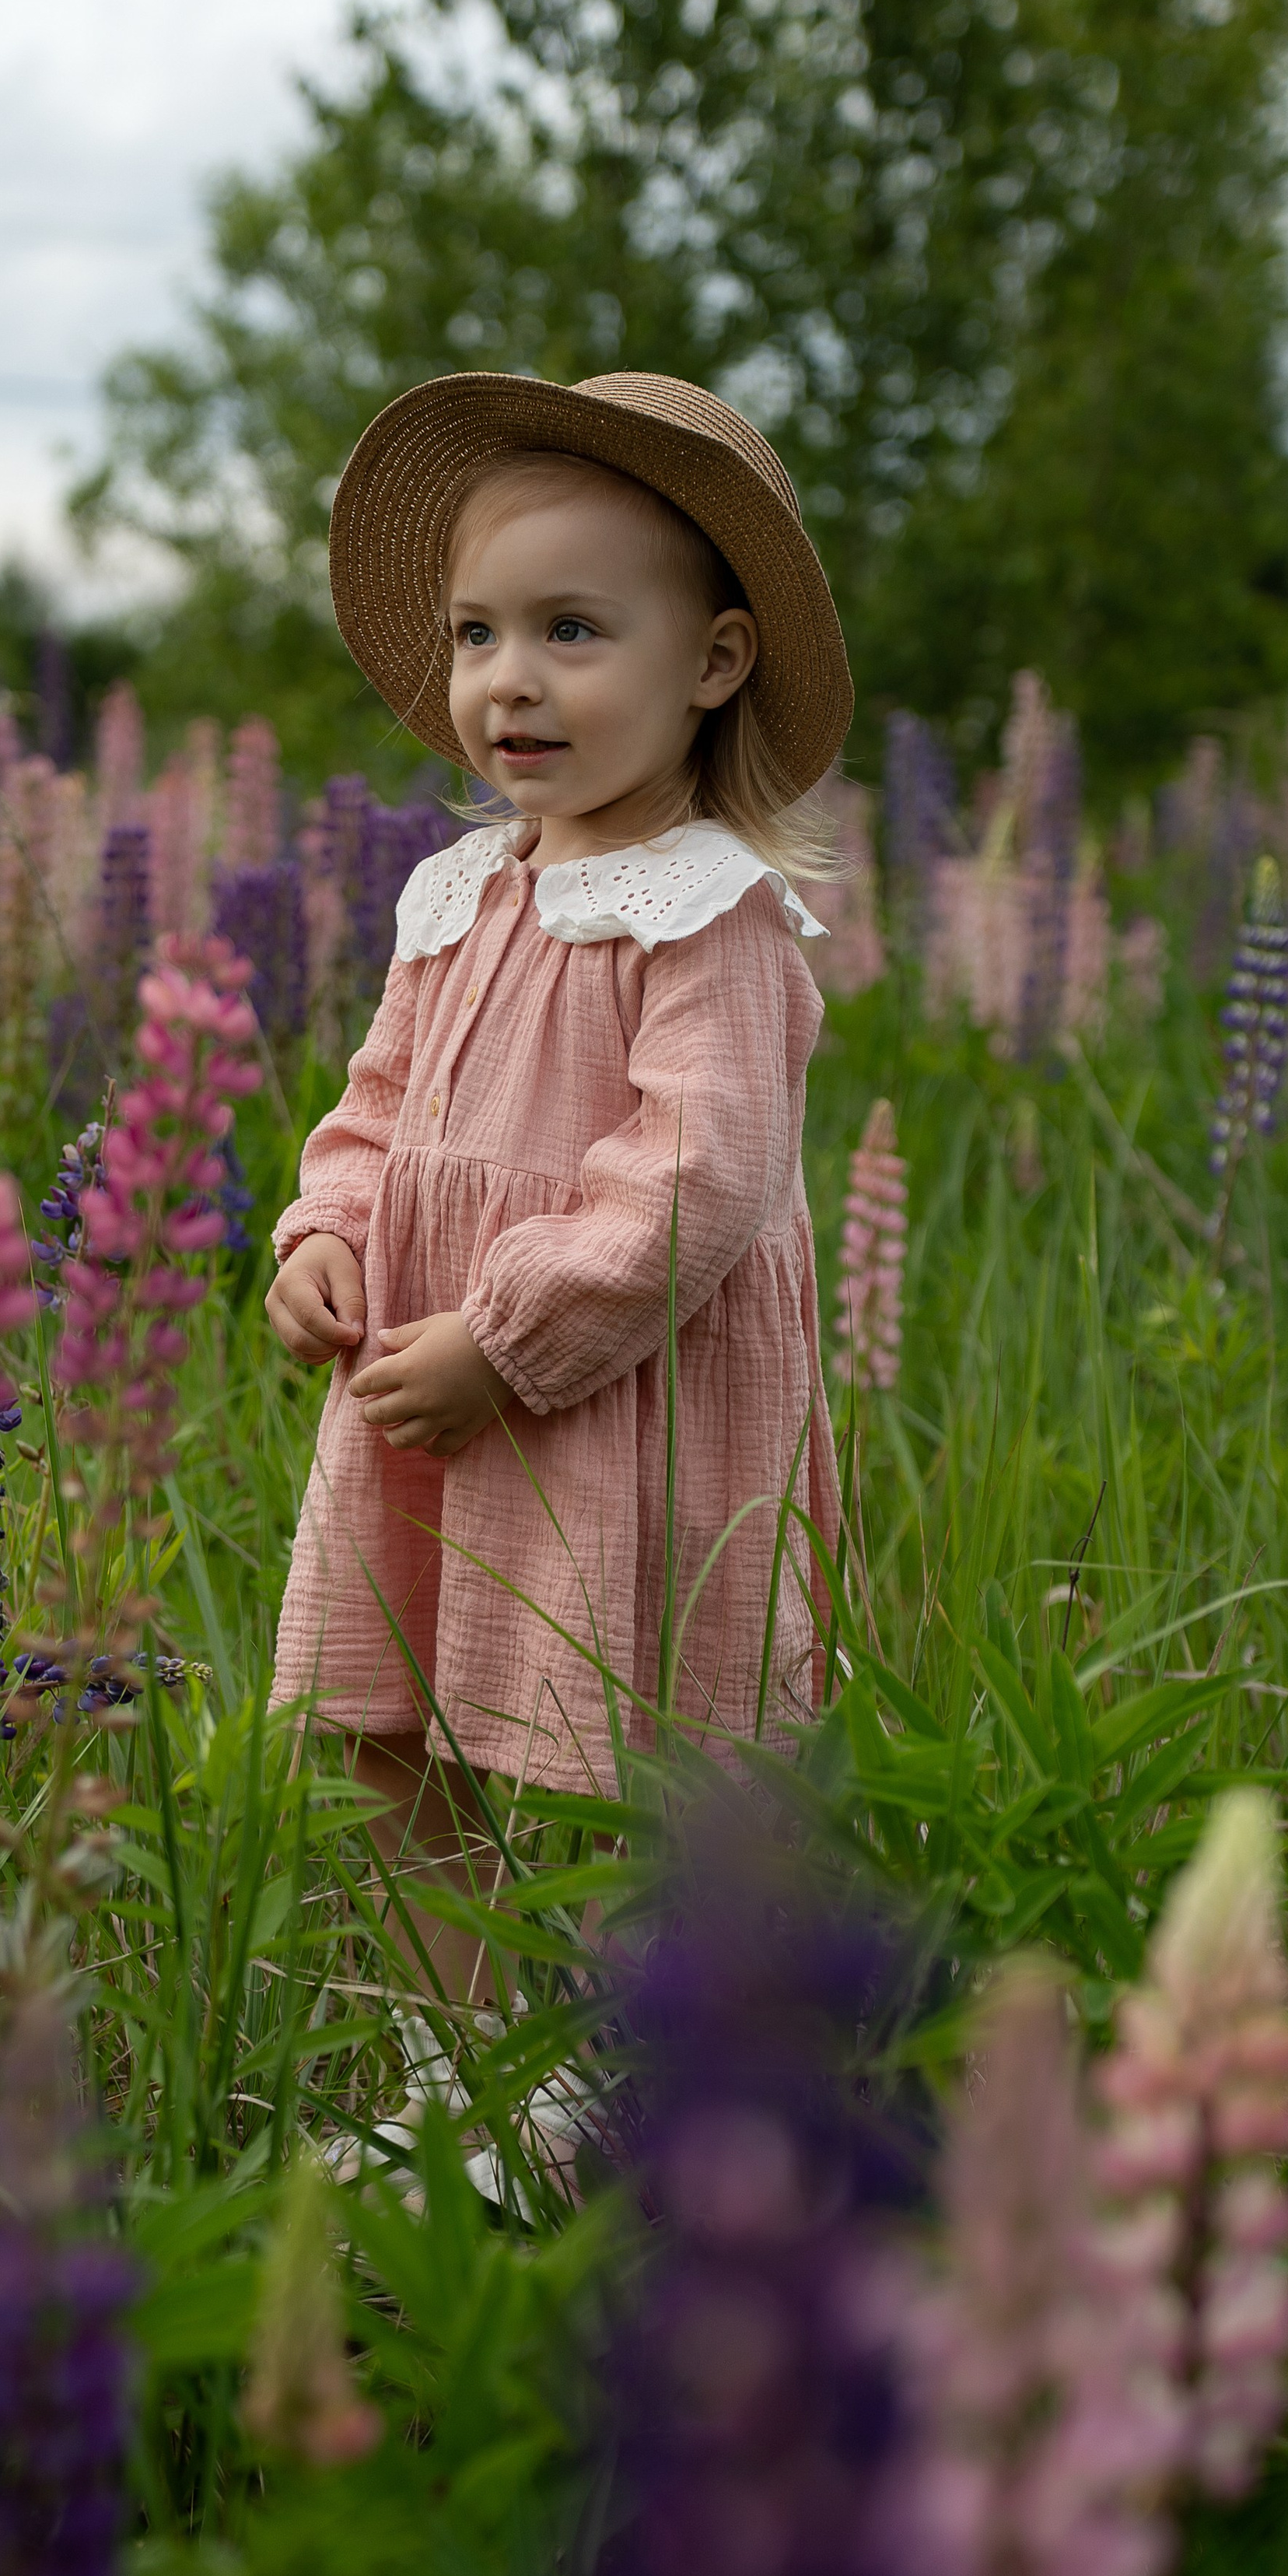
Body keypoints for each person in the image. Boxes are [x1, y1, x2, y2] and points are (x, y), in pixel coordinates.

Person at [264, 369, 849, 2029]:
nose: (507, 683)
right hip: (427, 1395)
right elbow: (372, 1109)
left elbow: (698, 1179)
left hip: (605, 1399)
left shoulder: (708, 915)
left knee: (599, 1749)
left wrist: (506, 1343)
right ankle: (468, 2056)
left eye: (571, 632)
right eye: (474, 635)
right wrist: (324, 1235)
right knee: (397, 1738)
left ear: (711, 663)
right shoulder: (454, 893)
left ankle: (622, 2060)